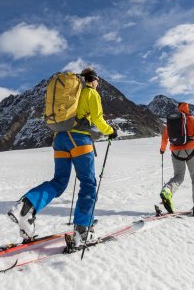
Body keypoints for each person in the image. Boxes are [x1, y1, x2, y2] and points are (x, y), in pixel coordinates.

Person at [8, 67, 117, 247]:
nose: (98, 84)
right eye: (98, 81)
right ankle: (83, 229)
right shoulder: (90, 93)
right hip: (79, 140)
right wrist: (111, 131)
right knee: (88, 183)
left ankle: (27, 205)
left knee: (59, 181)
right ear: (94, 79)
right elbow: (97, 118)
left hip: (60, 139)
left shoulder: (71, 96)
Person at [160, 102, 194, 216]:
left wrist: (162, 149)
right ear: (187, 108)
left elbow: (164, 138)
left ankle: (167, 190)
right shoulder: (191, 119)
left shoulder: (171, 121)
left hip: (175, 152)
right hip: (191, 151)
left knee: (178, 176)